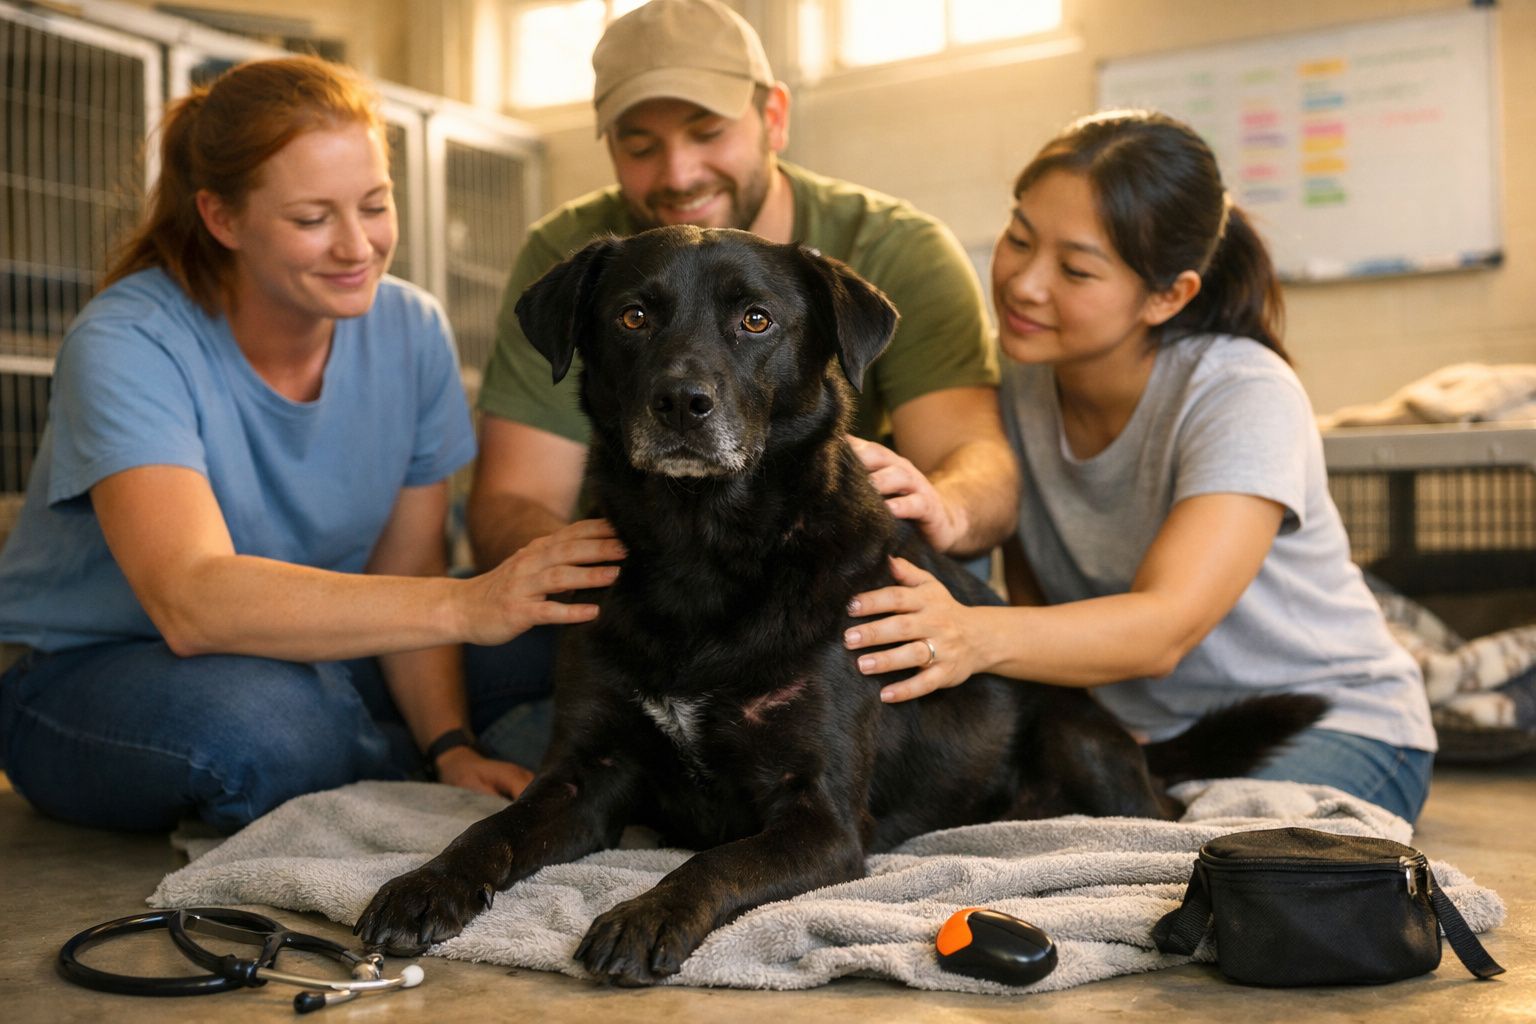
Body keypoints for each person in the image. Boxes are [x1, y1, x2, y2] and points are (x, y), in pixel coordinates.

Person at [0, 56, 623, 833]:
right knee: (268, 728)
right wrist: (468, 603)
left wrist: (452, 742)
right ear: (222, 219)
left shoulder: (412, 328)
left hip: (320, 651)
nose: (357, 246)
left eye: (375, 204)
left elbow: (408, 572)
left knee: (566, 633)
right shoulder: (130, 338)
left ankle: (392, 747)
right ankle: (359, 747)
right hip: (99, 669)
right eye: (311, 219)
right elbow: (191, 602)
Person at [842, 110, 1437, 824]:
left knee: (1215, 873)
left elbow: (1165, 628)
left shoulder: (1241, 393)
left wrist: (969, 632)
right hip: (1137, 734)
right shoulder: (1019, 380)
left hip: (1329, 723)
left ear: (1169, 294)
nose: (1024, 285)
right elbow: (1038, 608)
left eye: (1076, 269)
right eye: (1018, 238)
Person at [468, 0, 1018, 763]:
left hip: (819, 598)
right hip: (647, 585)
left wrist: (948, 506)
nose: (679, 173)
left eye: (707, 132)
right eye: (640, 145)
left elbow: (980, 462)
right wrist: (620, 582)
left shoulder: (899, 248)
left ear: (774, 117)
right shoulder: (570, 254)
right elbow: (511, 500)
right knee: (490, 663)